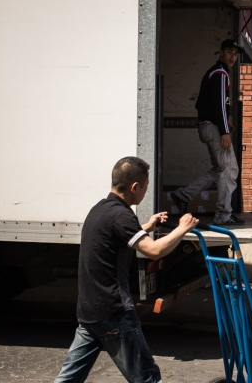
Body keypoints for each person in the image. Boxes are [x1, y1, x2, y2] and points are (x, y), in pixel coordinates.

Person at [55, 157, 199, 382]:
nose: (144, 192)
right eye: (146, 187)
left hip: (90, 310)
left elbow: (118, 236)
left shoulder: (100, 209)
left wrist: (147, 227)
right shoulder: (122, 215)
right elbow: (153, 250)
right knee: (146, 377)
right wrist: (182, 229)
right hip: (113, 311)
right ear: (135, 187)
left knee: (69, 379)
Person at [170, 39, 245, 226]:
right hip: (213, 128)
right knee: (230, 169)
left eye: (235, 54)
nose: (232, 57)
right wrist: (225, 130)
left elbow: (208, 103)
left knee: (220, 169)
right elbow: (219, 103)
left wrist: (224, 123)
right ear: (220, 53)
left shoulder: (216, 73)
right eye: (229, 52)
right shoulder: (220, 73)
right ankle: (223, 215)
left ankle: (182, 195)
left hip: (209, 126)